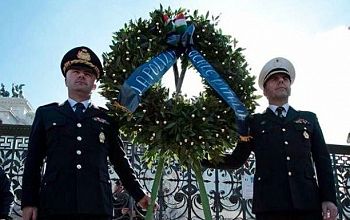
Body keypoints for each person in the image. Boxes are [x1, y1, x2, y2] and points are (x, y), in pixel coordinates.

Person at [21, 46, 153, 220]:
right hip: (55, 204)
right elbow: (33, 160)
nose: (82, 75)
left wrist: (139, 194)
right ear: (65, 80)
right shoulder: (46, 114)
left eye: (88, 74)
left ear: (94, 84)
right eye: (75, 71)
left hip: (96, 205)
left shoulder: (106, 118)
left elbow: (120, 161)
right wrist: (29, 202)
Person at [203, 57, 338, 220]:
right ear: (265, 90)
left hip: (307, 204)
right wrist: (201, 159)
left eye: (285, 78)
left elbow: (322, 160)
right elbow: (236, 159)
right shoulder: (253, 122)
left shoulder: (309, 119)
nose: (281, 81)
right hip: (270, 206)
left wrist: (329, 198)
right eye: (274, 79)